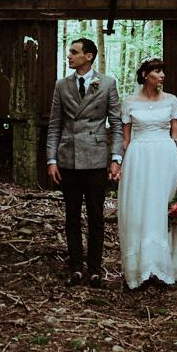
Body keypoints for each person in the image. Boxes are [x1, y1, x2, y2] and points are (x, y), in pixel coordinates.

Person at [46, 38, 123, 288]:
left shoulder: (108, 84)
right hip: (68, 159)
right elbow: (54, 124)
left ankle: (95, 268)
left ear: (88, 56)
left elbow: (117, 124)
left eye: (74, 52)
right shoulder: (61, 85)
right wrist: (51, 159)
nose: (69, 56)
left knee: (96, 216)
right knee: (71, 216)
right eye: (69, 52)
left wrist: (116, 158)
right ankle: (76, 267)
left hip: (96, 159)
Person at [118, 58, 177, 288]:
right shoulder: (130, 102)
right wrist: (119, 165)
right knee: (140, 206)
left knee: (163, 205)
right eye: (157, 71)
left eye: (163, 70)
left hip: (165, 157)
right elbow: (125, 140)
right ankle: (141, 267)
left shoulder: (171, 100)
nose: (162, 75)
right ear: (145, 75)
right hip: (139, 158)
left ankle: (167, 265)